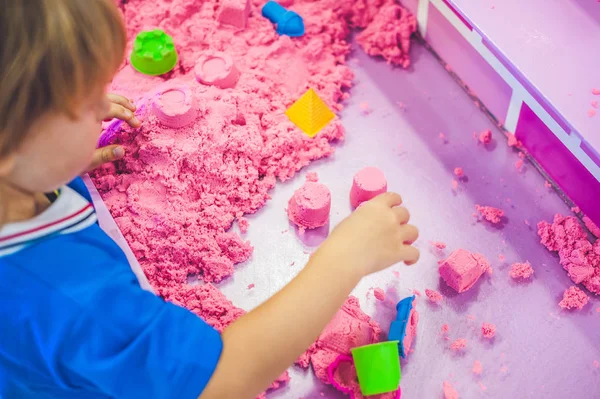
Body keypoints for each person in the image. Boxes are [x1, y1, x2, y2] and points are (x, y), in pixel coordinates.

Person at [0, 1, 420, 398]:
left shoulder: (17, 177)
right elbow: (219, 380)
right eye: (86, 103)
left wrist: (51, 160)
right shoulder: (73, 300)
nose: (103, 107)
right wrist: (343, 258)